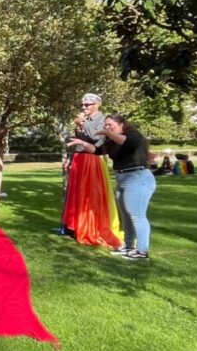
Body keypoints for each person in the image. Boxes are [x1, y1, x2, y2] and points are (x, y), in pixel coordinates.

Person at [70, 114, 155, 261]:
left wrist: (108, 133)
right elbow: (96, 151)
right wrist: (82, 142)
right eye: (106, 125)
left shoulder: (133, 135)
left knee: (137, 216)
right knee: (126, 216)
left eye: (110, 125)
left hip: (137, 178)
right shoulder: (112, 140)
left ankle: (142, 251)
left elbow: (126, 142)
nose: (107, 127)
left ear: (121, 123)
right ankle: (128, 247)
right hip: (122, 178)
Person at [60, 93, 121, 248]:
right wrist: (70, 157)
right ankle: (74, 227)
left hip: (92, 159)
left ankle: (91, 228)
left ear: (97, 105)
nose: (84, 107)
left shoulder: (102, 120)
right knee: (76, 194)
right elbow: (77, 141)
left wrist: (82, 124)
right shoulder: (85, 119)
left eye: (87, 104)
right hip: (79, 158)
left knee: (90, 195)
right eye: (83, 104)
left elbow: (97, 138)